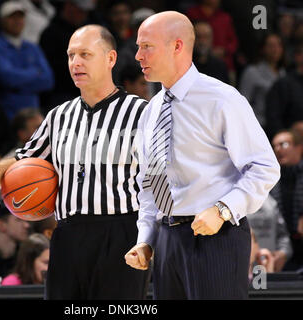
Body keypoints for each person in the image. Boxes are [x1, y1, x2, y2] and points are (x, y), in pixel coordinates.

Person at [0, 24, 149, 299]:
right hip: (67, 234)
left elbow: (161, 181)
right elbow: (22, 165)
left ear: (110, 59)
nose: (76, 63)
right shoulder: (59, 116)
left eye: (85, 54)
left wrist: (151, 240)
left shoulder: (140, 113)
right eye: (71, 55)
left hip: (121, 233)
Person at [124, 11, 280, 300]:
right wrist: (145, 238)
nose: (137, 56)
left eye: (146, 46)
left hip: (217, 238)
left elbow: (264, 167)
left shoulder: (222, 98)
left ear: (177, 46)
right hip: (166, 239)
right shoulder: (152, 109)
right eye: (138, 46)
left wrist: (222, 210)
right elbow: (149, 183)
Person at [0, 1, 55, 120]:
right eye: (12, 17)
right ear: (2, 20)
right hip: (8, 114)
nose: (17, 21)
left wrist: (18, 82)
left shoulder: (32, 47)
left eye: (20, 17)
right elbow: (8, 78)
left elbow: (48, 80)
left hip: (33, 113)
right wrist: (35, 73)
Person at [270, 129, 303, 271]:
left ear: (299, 147)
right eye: (274, 146)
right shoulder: (270, 179)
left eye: (283, 144)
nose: (278, 149)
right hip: (281, 245)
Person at [239, 33, 286, 128]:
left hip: (280, 126)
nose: (275, 49)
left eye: (278, 45)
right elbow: (242, 103)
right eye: (271, 46)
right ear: (263, 49)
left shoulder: (283, 73)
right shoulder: (252, 72)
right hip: (259, 125)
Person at [247, 194, 292, 272]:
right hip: (243, 266)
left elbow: (282, 234)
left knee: (263, 283)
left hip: (268, 263)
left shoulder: (271, 202)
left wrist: (283, 253)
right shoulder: (232, 200)